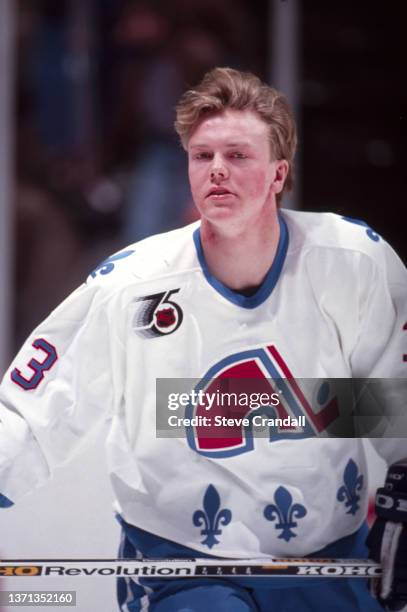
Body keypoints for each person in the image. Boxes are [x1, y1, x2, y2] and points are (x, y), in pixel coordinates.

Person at [1, 67, 406, 612]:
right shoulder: (132, 285)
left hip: (326, 560)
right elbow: (31, 414)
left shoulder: (354, 262)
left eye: (237, 156)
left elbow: (397, 400)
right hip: (182, 570)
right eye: (202, 156)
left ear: (279, 173)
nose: (217, 170)